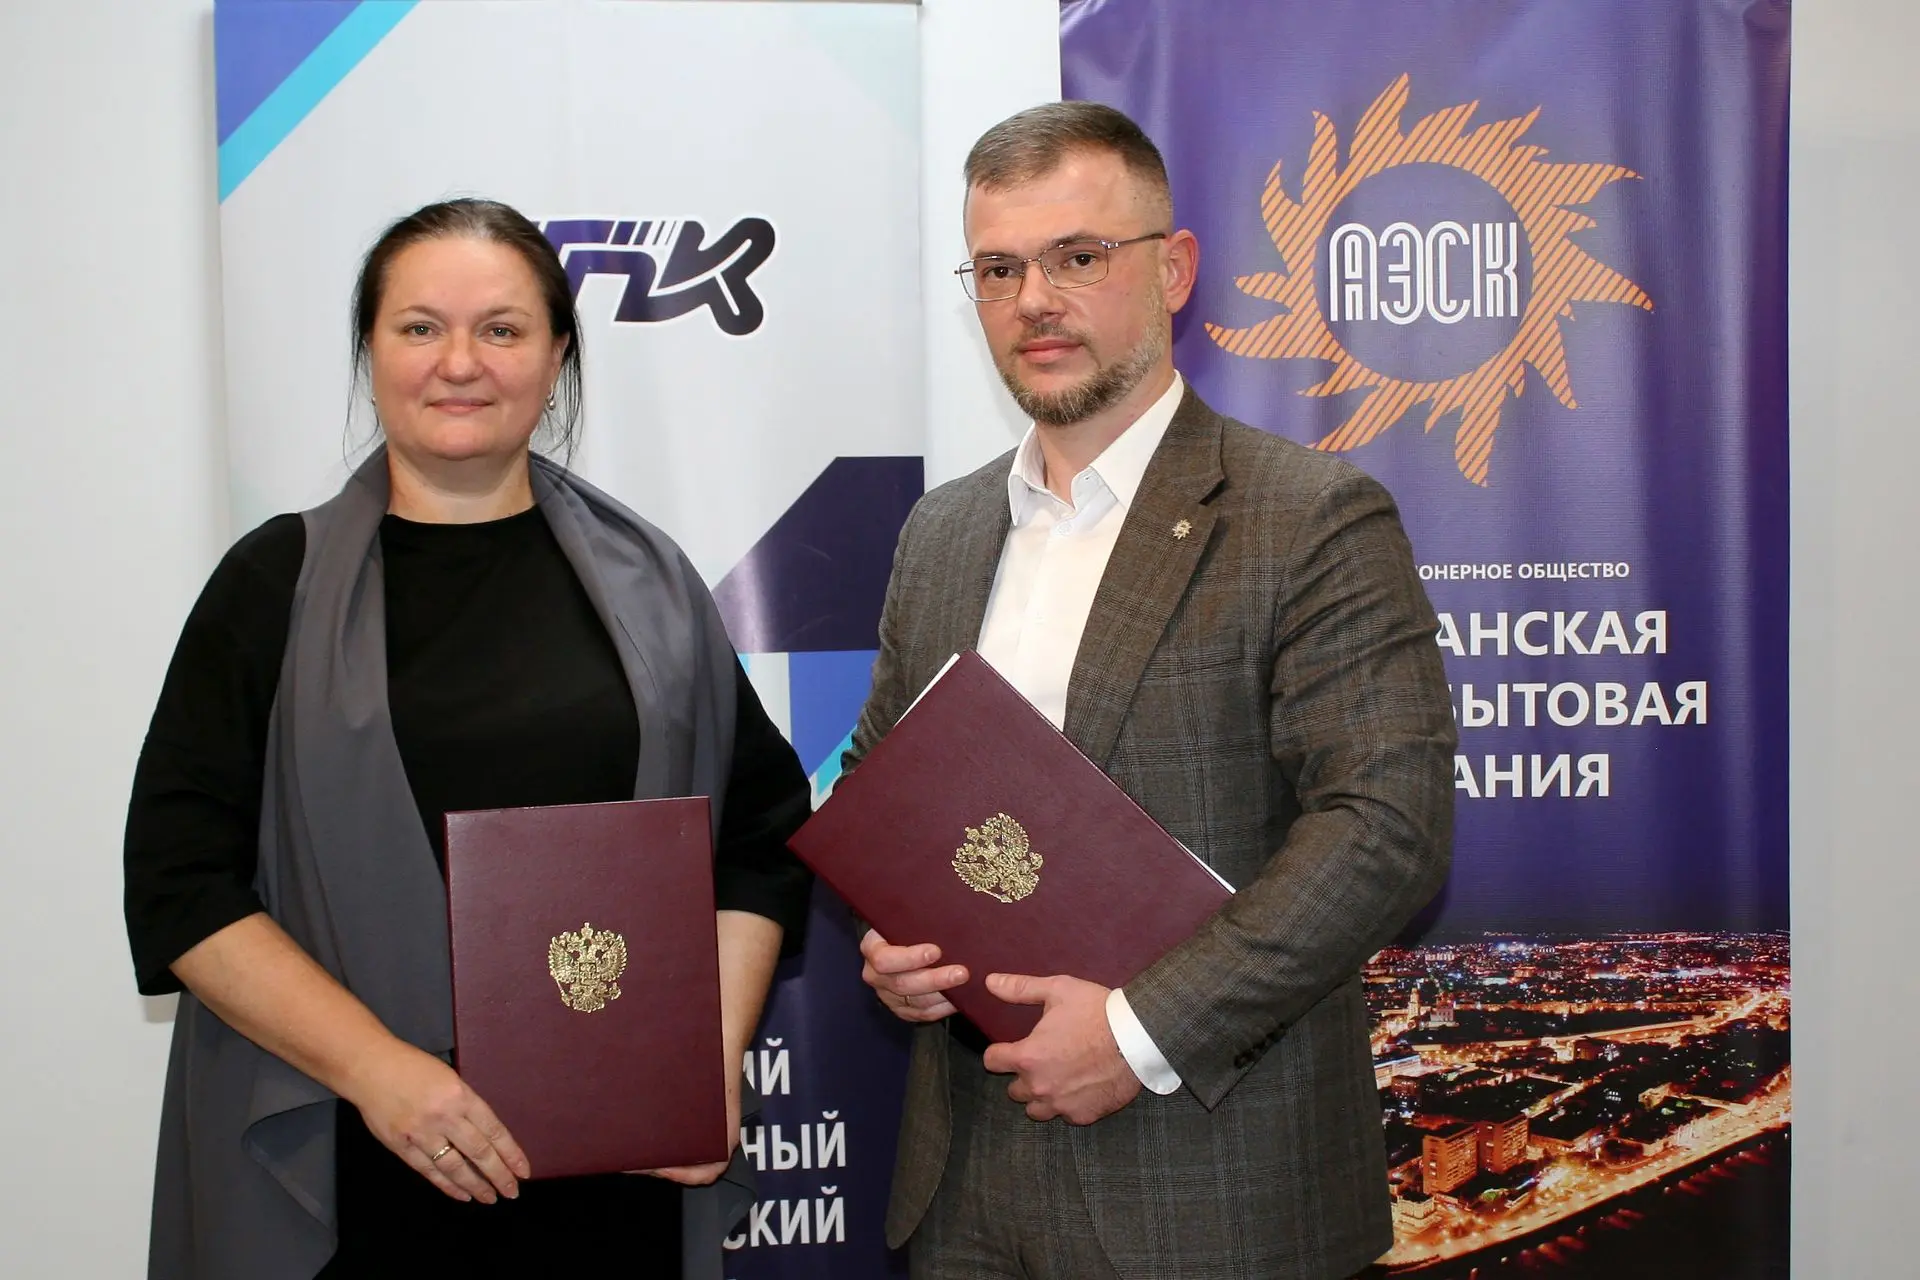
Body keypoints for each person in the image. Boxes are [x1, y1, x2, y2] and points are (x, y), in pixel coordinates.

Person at [124, 198, 813, 1279]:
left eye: (500, 328)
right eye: (419, 327)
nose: (459, 362)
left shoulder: (652, 583)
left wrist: (704, 1060)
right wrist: (382, 1072)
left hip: (614, 1175)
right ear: (370, 352)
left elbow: (760, 839)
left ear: (556, 355)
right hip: (358, 1153)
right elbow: (180, 885)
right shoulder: (272, 588)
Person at [851, 103, 1457, 1279]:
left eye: (1079, 256)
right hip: (963, 1186)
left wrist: (1138, 1031)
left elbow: (1386, 827)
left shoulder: (1309, 516)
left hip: (1213, 1193)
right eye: (999, 268)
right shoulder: (942, 532)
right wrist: (894, 943)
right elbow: (888, 791)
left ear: (1173, 270)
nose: (1035, 298)